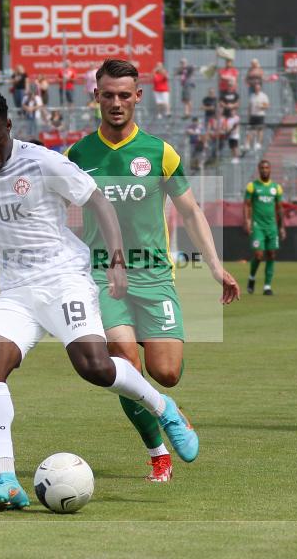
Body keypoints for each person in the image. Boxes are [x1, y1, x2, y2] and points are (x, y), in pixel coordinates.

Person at [0, 88, 200, 509]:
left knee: (95, 368)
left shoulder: (42, 161)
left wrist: (116, 258)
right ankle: (6, 480)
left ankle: (165, 409)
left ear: (9, 126)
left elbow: (97, 199)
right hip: (17, 291)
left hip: (65, 279)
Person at [67, 59, 239, 483]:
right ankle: (158, 451)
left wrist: (215, 267)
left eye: (124, 94)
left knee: (166, 373)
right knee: (123, 365)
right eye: (107, 94)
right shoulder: (77, 155)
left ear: (138, 97)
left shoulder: (160, 152)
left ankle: (169, 406)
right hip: (105, 278)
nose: (116, 102)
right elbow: (61, 216)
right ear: (96, 97)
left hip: (156, 276)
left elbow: (192, 211)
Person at [244, 159, 286, 295]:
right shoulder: (252, 186)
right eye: (262, 168)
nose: (264, 170)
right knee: (258, 254)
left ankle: (267, 286)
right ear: (259, 169)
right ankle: (251, 277)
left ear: (270, 169)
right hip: (258, 226)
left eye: (267, 167)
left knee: (271, 254)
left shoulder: (276, 188)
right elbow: (247, 204)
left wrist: (282, 227)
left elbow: (280, 208)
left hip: (272, 226)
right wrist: (247, 221)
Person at [246, 82, 270, 152]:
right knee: (250, 130)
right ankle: (248, 144)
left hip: (260, 115)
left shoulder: (263, 96)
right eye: (256, 87)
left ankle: (258, 143)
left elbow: (267, 106)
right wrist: (249, 115)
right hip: (253, 115)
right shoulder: (252, 95)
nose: (257, 89)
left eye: (258, 87)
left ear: (260, 88)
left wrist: (261, 106)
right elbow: (249, 107)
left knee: (260, 129)